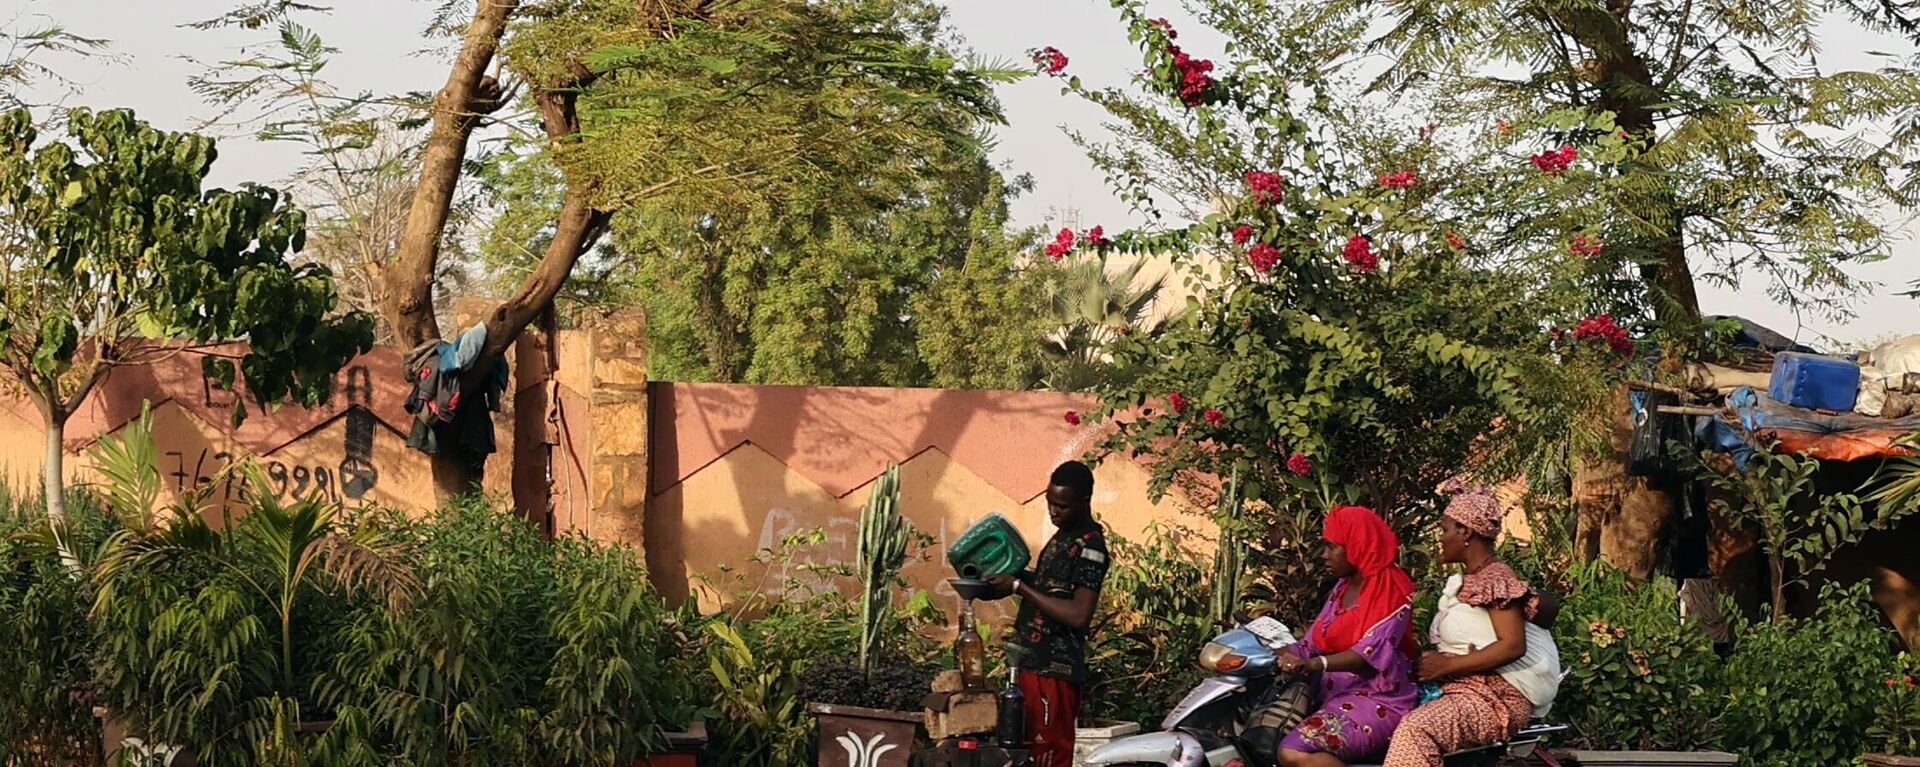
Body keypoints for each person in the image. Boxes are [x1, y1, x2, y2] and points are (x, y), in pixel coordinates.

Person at [1383, 484, 1561, 767]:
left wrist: (1447, 666)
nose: (1440, 539)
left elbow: (1513, 644)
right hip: (1469, 692)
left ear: (1465, 532)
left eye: (1445, 529)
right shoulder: (1475, 579)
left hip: (1495, 698)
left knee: (1416, 730)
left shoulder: (1495, 579)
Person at [983, 461, 1110, 767]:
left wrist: (1018, 587)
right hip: (1032, 664)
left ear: (1084, 502)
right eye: (1050, 504)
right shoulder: (1063, 534)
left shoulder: (1091, 547)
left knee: (1049, 755)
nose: (1054, 512)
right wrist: (1013, 578)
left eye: (1062, 506)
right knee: (1023, 753)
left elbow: (1079, 614)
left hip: (1056, 671)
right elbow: (1052, 589)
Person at [1272, 505, 1420, 767]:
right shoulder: (1342, 589)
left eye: (1333, 546)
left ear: (1357, 545)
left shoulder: (1391, 593)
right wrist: (1273, 651)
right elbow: (1312, 641)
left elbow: (1366, 654)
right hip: (1335, 695)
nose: (1325, 555)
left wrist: (1314, 664)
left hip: (1378, 699)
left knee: (1294, 751)